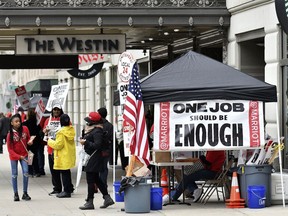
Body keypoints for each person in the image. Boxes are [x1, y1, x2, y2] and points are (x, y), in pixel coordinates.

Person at [79, 112, 115, 210]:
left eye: (88, 121)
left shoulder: (97, 131)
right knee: (96, 179)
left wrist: (86, 142)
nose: (87, 123)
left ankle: (90, 201)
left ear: (93, 122)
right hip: (94, 157)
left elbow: (97, 145)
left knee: (90, 179)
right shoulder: (94, 130)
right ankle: (107, 198)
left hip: (95, 158)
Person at [43, 103, 74, 195]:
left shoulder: (65, 120)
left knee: (64, 170)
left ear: (61, 111)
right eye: (54, 109)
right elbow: (44, 131)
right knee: (54, 170)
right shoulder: (48, 120)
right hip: (51, 149)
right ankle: (57, 188)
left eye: (58, 110)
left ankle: (68, 188)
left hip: (60, 148)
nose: (56, 111)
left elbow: (69, 130)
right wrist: (45, 131)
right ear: (52, 110)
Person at [47, 114, 76, 198]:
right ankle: (69, 189)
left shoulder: (61, 132)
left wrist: (49, 141)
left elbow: (58, 145)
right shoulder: (71, 130)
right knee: (67, 172)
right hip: (69, 154)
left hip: (62, 155)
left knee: (64, 173)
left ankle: (66, 191)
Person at [6, 114, 33, 201]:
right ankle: (16, 194)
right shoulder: (10, 134)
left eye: (19, 121)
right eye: (16, 122)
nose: (18, 123)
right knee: (14, 175)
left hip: (24, 154)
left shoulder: (25, 129)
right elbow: (9, 150)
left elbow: (29, 138)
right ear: (12, 123)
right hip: (14, 156)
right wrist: (18, 156)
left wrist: (30, 141)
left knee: (26, 172)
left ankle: (25, 193)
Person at [97, 107, 113, 188]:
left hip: (98, 149)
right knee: (104, 167)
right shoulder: (110, 125)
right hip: (106, 149)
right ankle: (103, 184)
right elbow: (111, 138)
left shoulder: (97, 125)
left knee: (97, 167)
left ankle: (98, 184)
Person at [23, 108, 42, 177]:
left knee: (29, 157)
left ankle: (30, 171)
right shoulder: (37, 124)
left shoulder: (25, 123)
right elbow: (39, 132)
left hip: (28, 142)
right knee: (36, 157)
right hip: (35, 142)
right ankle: (37, 171)